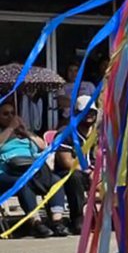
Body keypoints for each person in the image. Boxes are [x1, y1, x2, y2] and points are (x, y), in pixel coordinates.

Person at [0, 100, 68, 237]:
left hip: (31, 168)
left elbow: (43, 146)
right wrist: (10, 129)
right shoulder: (3, 134)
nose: (10, 116)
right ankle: (36, 222)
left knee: (55, 180)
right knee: (22, 183)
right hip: (9, 171)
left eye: (13, 113)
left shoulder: (24, 134)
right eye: (5, 114)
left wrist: (26, 132)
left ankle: (57, 220)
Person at [54, 94, 97, 235]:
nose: (89, 115)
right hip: (69, 173)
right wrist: (89, 172)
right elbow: (67, 162)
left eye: (92, 112)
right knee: (75, 177)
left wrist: (99, 172)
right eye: (85, 112)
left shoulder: (99, 133)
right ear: (77, 113)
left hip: (93, 172)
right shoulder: (65, 133)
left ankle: (114, 217)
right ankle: (77, 218)